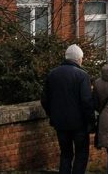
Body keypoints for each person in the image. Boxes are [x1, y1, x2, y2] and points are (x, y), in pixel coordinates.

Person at [41, 44, 95, 174]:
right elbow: (86, 102)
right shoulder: (82, 76)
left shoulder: (52, 74)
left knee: (65, 154)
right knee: (81, 154)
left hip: (60, 123)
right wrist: (91, 121)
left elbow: (45, 100)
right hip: (79, 124)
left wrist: (52, 115)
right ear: (79, 59)